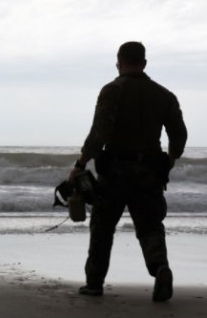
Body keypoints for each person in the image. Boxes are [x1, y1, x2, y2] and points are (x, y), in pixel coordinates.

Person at [70, 42, 187, 302]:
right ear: (144, 63)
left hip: (114, 170)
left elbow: (98, 134)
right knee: (150, 225)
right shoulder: (164, 95)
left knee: (102, 225)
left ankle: (95, 283)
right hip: (149, 171)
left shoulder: (112, 91)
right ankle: (160, 269)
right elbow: (179, 134)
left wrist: (80, 164)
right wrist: (169, 159)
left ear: (118, 62)